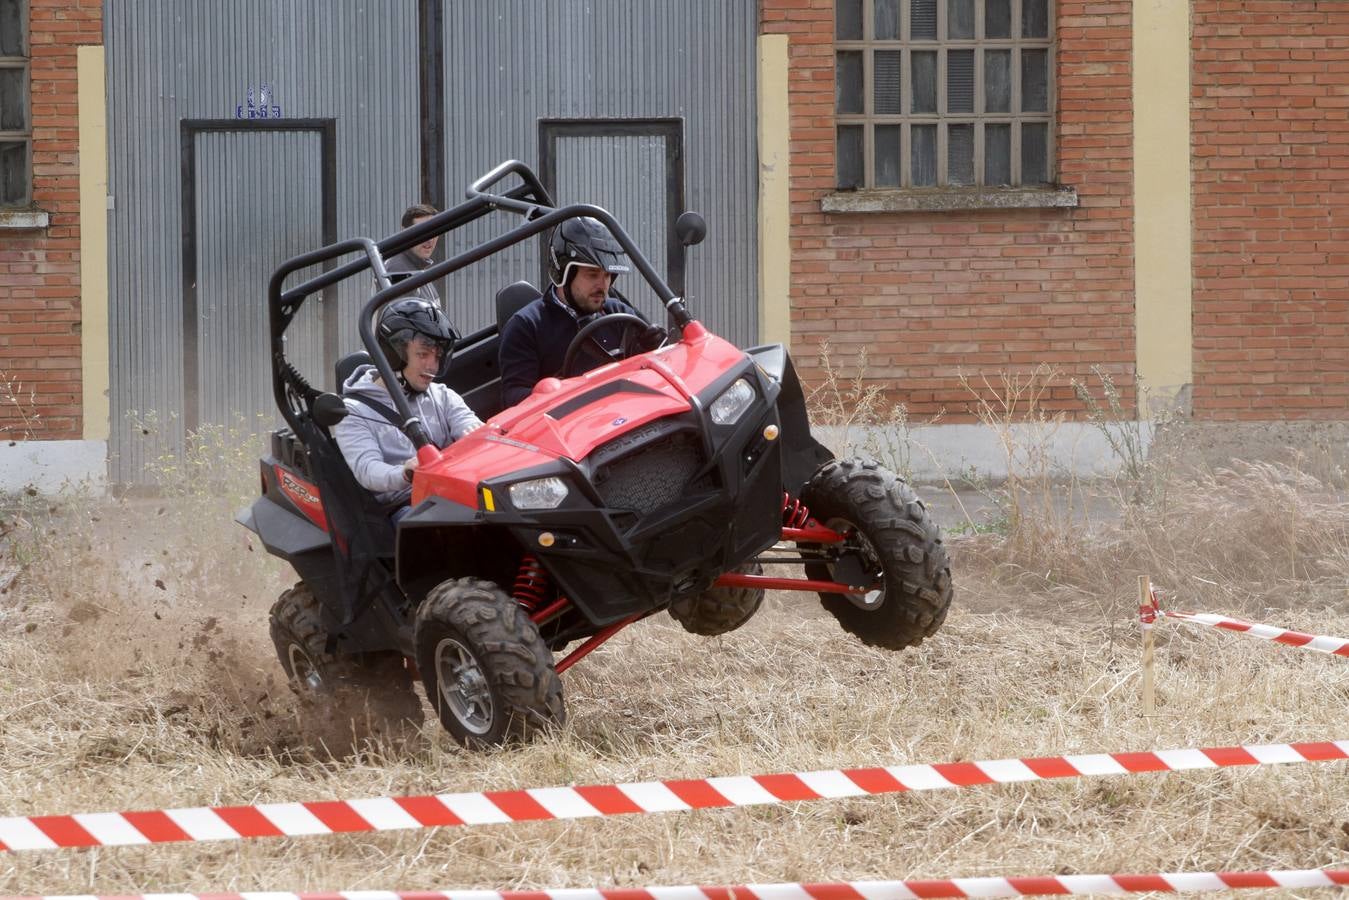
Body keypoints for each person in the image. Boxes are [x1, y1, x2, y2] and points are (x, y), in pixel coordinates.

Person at [497, 217, 665, 408]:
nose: (603, 285)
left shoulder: (619, 312)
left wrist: (651, 347)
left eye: (607, 275)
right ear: (564, 274)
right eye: (592, 274)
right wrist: (551, 392)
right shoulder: (527, 326)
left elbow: (655, 372)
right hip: (567, 430)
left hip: (625, 417)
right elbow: (513, 398)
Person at [334, 297, 481, 513]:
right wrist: (405, 472)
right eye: (422, 354)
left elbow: (468, 423)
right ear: (393, 355)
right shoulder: (354, 412)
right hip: (404, 505)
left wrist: (476, 436)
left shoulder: (442, 395)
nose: (432, 365)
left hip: (453, 495)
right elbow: (367, 469)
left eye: (437, 356)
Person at [383, 203, 441, 303]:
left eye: (434, 231)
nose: (430, 239)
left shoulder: (415, 267)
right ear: (406, 233)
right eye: (422, 231)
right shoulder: (399, 270)